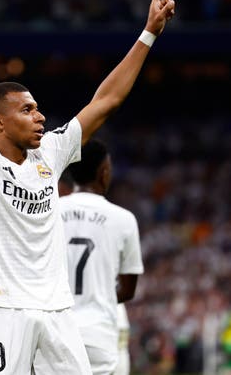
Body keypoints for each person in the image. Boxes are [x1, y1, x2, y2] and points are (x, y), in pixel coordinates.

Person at [0, 0, 174, 375]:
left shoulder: (49, 153)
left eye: (38, 108)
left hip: (56, 308)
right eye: (27, 110)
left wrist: (149, 34)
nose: (40, 116)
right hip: (1, 307)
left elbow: (105, 101)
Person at [60, 139, 144, 375]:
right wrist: (98, 295)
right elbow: (128, 290)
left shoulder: (50, 212)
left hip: (56, 330)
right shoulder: (124, 219)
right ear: (103, 172)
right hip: (99, 334)